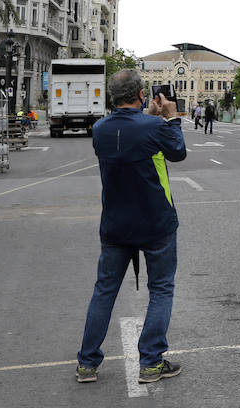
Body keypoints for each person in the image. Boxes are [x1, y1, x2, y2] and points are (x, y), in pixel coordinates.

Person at [76, 69, 187, 385]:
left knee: (104, 290)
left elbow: (129, 136)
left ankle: (87, 364)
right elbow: (177, 152)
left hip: (115, 224)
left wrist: (148, 115)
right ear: (141, 94)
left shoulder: (99, 129)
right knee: (161, 288)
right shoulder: (154, 126)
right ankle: (151, 363)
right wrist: (172, 116)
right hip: (156, 223)